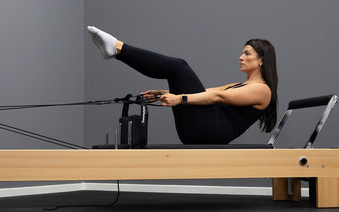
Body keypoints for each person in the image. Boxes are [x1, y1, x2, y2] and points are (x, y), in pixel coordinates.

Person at [87, 26, 278, 145]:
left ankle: (118, 48)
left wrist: (180, 98)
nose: (240, 57)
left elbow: (218, 97)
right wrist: (166, 92)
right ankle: (116, 52)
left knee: (179, 67)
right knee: (176, 71)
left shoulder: (263, 90)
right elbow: (207, 92)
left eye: (247, 53)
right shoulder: (240, 85)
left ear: (261, 60)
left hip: (211, 133)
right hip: (203, 130)